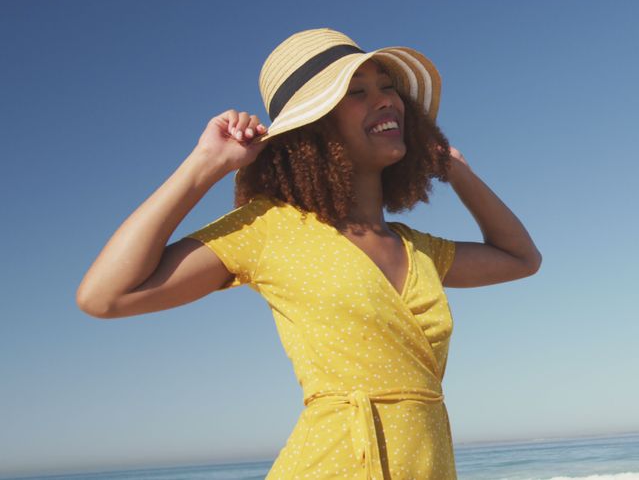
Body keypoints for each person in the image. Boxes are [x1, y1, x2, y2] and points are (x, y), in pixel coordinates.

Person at [76, 28, 542, 479]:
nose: (386, 100)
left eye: (387, 86)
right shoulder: (267, 229)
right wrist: (203, 167)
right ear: (316, 125)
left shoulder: (418, 248)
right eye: (356, 92)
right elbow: (104, 296)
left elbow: (522, 258)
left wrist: (458, 172)